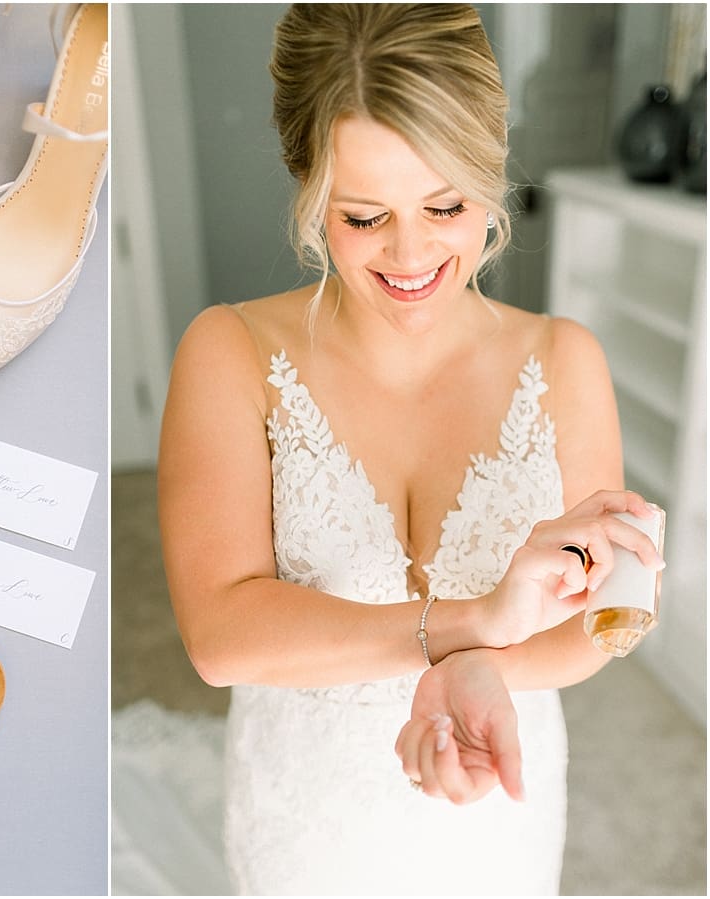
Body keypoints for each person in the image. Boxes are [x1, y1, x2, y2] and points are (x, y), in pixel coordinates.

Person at [157, 4, 665, 895]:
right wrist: (466, 630)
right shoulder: (229, 352)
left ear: (490, 172)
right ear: (308, 188)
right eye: (363, 217)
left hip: (497, 801)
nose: (411, 252)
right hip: (306, 815)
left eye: (446, 205)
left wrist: (502, 656)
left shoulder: (564, 360)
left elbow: (590, 623)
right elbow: (221, 635)